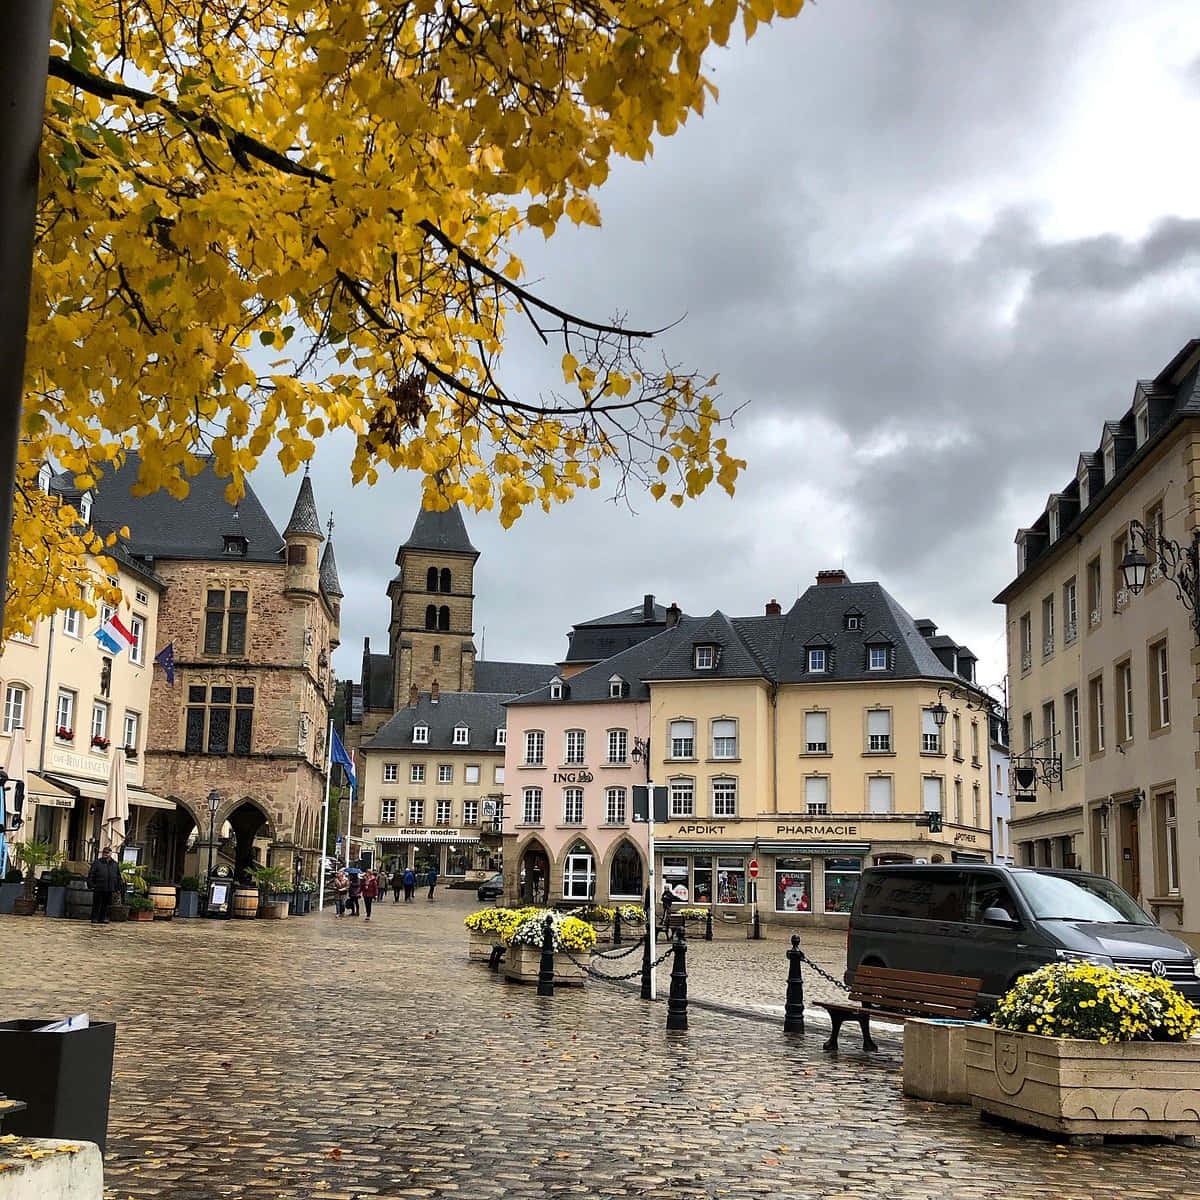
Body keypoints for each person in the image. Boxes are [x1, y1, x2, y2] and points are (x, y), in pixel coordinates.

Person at [87, 846, 123, 924]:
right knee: (97, 903)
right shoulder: (97, 863)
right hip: (99, 887)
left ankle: (103, 918)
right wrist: (91, 884)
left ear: (110, 853)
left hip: (110, 888)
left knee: (106, 904)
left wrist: (118, 887)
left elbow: (118, 876)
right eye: (104, 852)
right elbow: (91, 874)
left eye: (107, 853)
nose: (105, 854)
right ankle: (95, 918)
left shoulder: (114, 864)